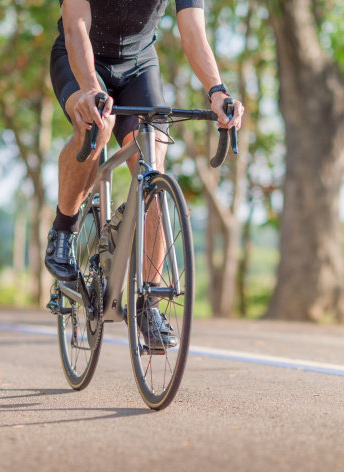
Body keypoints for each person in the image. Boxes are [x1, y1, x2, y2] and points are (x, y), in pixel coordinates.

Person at [46, 0, 244, 347]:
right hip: (82, 57)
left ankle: (148, 303)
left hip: (138, 66)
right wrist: (91, 87)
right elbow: (76, 24)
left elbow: (193, 29)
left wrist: (217, 91)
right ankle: (64, 228)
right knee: (95, 126)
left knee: (153, 158)